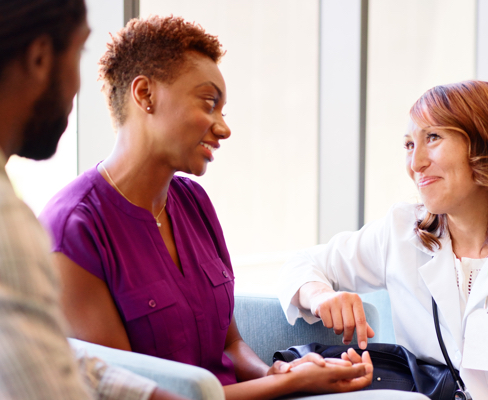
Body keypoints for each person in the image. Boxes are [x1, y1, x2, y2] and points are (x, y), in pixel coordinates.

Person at [39, 15, 373, 400]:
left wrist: (277, 370)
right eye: (209, 103)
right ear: (145, 94)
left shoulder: (193, 202)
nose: (224, 128)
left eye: (223, 111)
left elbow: (230, 347)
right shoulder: (72, 229)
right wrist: (287, 384)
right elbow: (128, 392)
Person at [278, 80, 488, 399]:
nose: (415, 164)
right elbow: (301, 264)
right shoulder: (401, 232)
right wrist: (320, 296)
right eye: (408, 145)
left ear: (487, 146)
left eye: (432, 137)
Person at [0, 1, 195, 399]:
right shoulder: (16, 229)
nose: (78, 85)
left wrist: (150, 395)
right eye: (79, 53)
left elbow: (47, 351)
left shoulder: (191, 202)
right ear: (39, 57)